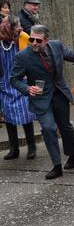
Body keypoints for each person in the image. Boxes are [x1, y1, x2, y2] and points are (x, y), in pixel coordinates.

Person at [10, 24, 74, 180]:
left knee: (65, 127)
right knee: (48, 128)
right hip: (40, 99)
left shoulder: (56, 46)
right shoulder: (23, 57)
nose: (34, 43)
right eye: (31, 39)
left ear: (46, 40)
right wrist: (27, 88)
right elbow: (13, 79)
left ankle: (73, 154)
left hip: (59, 94)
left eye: (38, 40)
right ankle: (57, 166)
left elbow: (70, 55)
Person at [0, 16, 36, 160]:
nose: (20, 28)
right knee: (8, 117)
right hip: (5, 83)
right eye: (17, 26)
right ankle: (14, 148)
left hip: (21, 81)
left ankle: (31, 146)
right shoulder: (1, 43)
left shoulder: (22, 39)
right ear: (8, 28)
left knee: (26, 114)